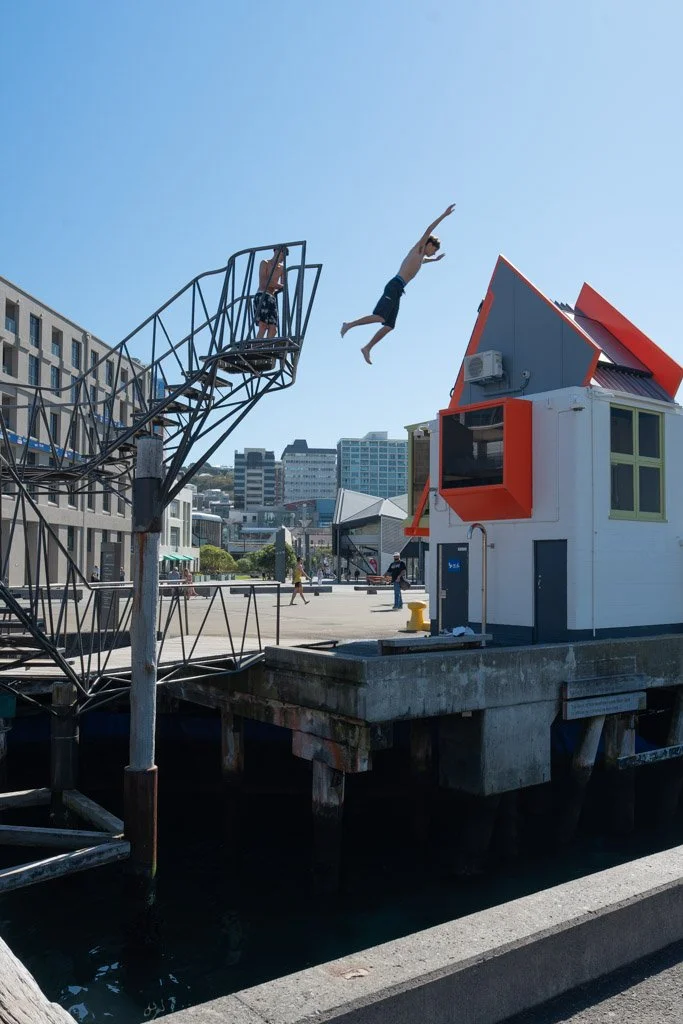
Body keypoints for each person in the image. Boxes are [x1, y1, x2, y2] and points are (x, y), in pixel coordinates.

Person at [340, 204, 455, 364]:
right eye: (434, 250)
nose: (433, 253)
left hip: (399, 289)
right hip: (394, 285)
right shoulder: (419, 247)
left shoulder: (421, 257)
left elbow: (422, 261)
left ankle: (367, 348)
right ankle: (349, 325)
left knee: (389, 325)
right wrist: (444, 215)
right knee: (380, 316)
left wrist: (434, 260)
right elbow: (428, 229)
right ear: (429, 244)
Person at [253, 246, 289, 339]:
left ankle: (266, 350)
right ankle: (257, 349)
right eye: (282, 253)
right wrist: (277, 285)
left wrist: (274, 285)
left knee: (273, 330)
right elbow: (263, 283)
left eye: (285, 255)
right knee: (263, 326)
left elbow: (284, 285)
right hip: (262, 295)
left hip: (271, 298)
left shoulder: (282, 268)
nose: (283, 257)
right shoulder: (265, 263)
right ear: (276, 251)